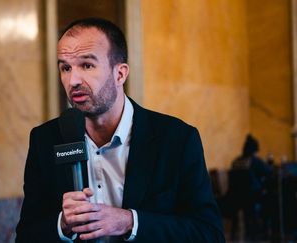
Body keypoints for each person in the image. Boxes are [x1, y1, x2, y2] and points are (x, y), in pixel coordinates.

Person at [15, 17, 225, 243]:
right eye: (65, 68)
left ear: (120, 74)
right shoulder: (45, 139)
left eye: (87, 65)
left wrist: (130, 222)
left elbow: (209, 234)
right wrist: (63, 224)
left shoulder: (176, 139)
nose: (73, 80)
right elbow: (26, 236)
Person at [227, 134, 272, 240]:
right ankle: (264, 233)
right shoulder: (255, 161)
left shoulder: (235, 161)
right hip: (251, 199)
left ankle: (241, 233)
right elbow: (268, 171)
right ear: (254, 151)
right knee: (270, 200)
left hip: (235, 199)